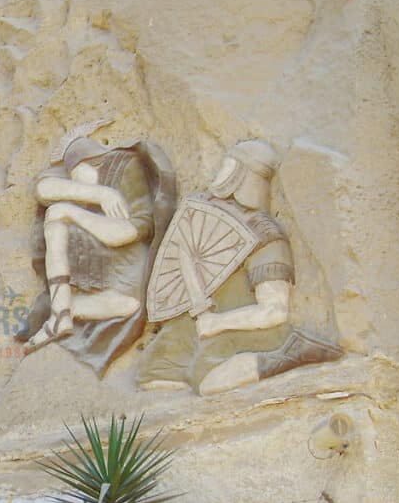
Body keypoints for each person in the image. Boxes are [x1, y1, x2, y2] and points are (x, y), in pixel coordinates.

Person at [139, 139, 342, 395]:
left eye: (231, 166)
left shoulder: (265, 235)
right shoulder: (205, 218)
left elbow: (275, 311)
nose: (222, 173)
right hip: (200, 325)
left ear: (242, 175)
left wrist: (218, 323)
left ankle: (289, 353)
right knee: (153, 373)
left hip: (248, 331)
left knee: (207, 381)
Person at [18, 133, 175, 376]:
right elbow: (44, 188)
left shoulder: (127, 169)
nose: (76, 186)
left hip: (128, 276)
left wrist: (72, 211)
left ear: (97, 162)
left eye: (79, 176)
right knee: (57, 211)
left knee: (59, 212)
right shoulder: (86, 182)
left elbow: (125, 233)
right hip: (99, 276)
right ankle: (61, 313)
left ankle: (61, 311)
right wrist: (98, 194)